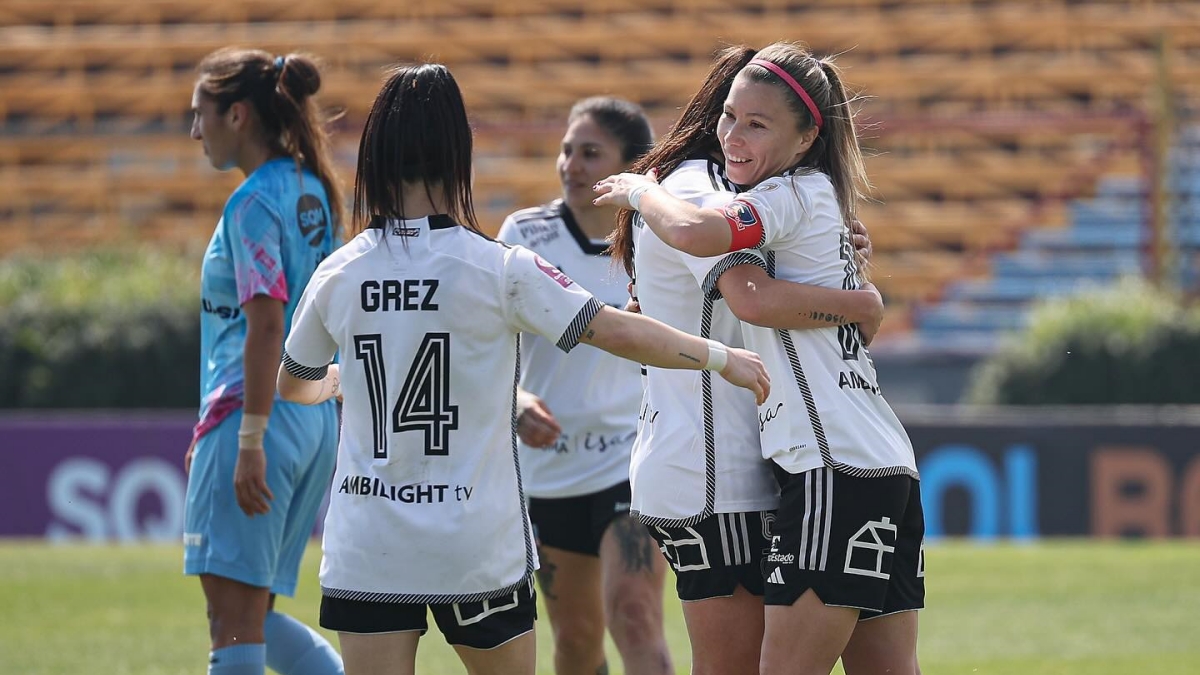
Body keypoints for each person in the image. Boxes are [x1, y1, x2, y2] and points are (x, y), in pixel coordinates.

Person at [273, 62, 770, 675]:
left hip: (367, 545)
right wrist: (723, 357)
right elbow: (614, 330)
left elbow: (293, 384)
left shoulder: (340, 271)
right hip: (475, 544)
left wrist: (340, 381)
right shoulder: (499, 265)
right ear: (459, 151)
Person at [595, 41, 924, 675]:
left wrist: (639, 189)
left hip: (816, 465)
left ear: (804, 140)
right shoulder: (800, 194)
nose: (733, 136)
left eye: (756, 122)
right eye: (729, 116)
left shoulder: (770, 195)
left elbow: (741, 286)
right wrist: (862, 301)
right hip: (858, 460)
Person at [182, 48, 345, 675]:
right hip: (311, 421)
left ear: (239, 114)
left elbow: (267, 320)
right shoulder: (315, 189)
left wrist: (246, 436)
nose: (196, 131)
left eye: (202, 115)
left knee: (232, 619)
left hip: (260, 416)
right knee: (253, 613)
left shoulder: (252, 202)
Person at [496, 97, 672, 675]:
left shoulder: (662, 241)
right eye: (567, 150)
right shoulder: (523, 235)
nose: (571, 164)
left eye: (590, 153)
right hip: (549, 469)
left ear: (631, 168)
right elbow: (488, 347)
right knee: (574, 643)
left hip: (634, 460)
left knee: (636, 615)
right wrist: (515, 402)